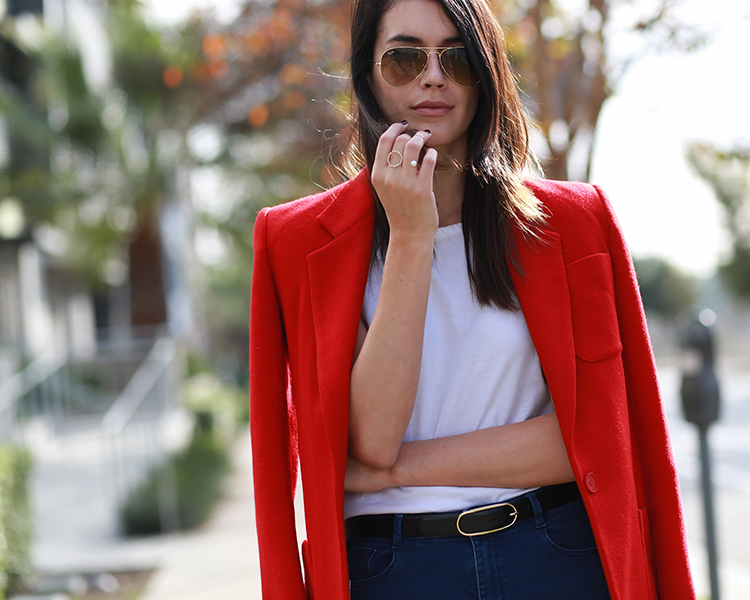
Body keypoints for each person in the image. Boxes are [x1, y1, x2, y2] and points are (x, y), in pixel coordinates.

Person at [249, 0, 695, 597]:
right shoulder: (297, 242)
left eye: (457, 58)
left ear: (484, 73)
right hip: (395, 569)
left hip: (557, 552)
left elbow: (596, 436)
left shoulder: (574, 223)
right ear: (367, 74)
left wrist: (399, 469)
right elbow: (372, 438)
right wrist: (411, 236)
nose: (433, 75)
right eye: (405, 57)